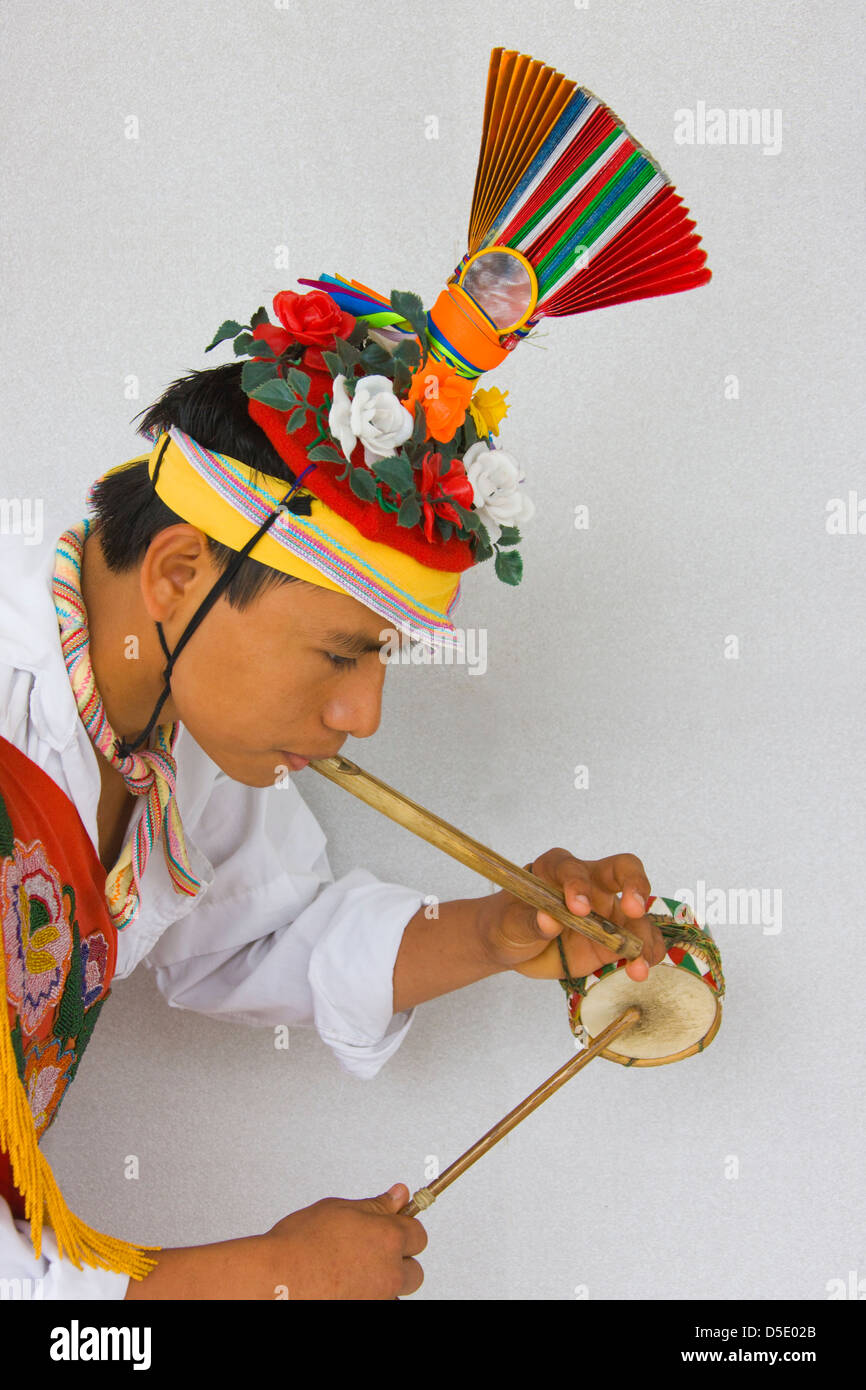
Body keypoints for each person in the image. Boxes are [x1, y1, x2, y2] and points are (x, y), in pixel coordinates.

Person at [0, 287, 664, 1300]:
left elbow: (257, 928)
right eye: (340, 654)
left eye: (381, 658)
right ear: (180, 572)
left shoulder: (166, 715)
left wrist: (494, 929)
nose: (364, 714)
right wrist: (262, 1280)